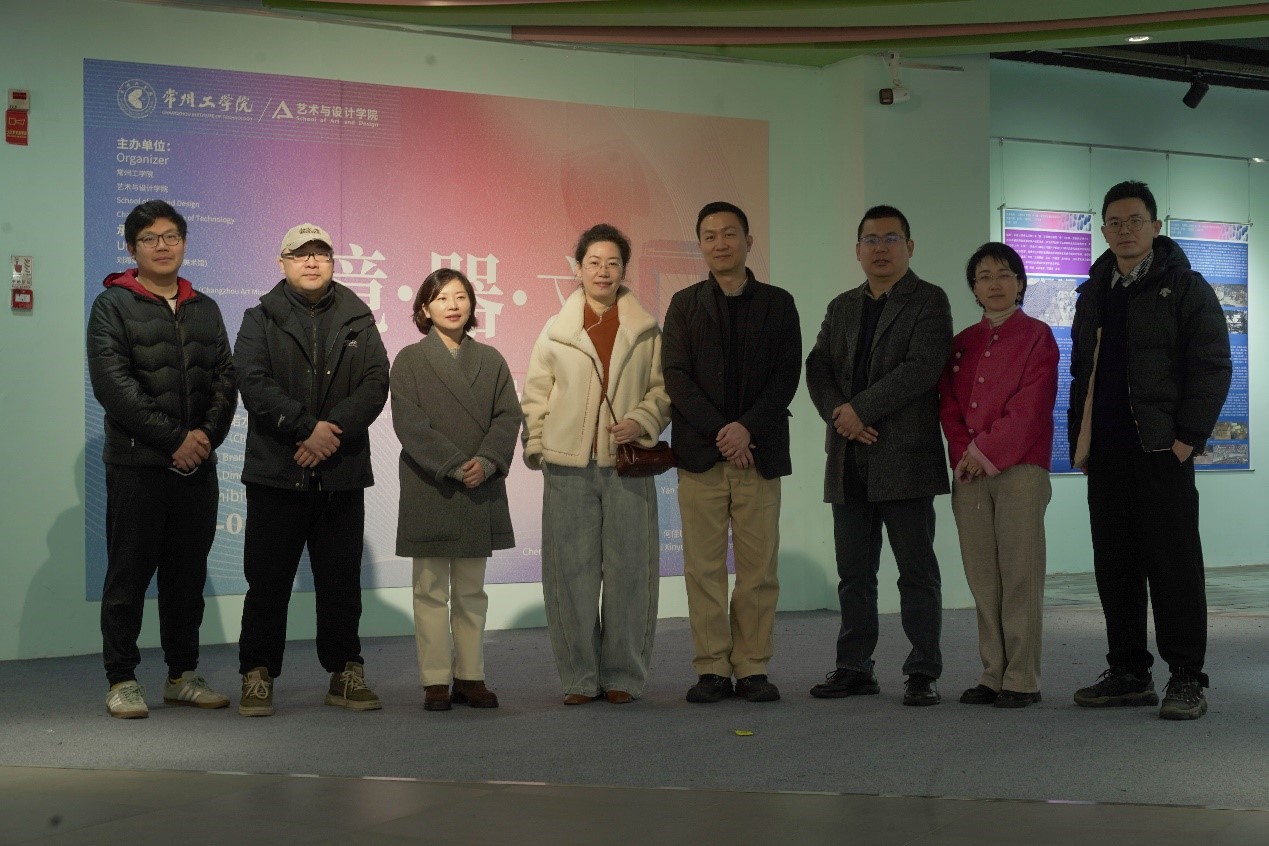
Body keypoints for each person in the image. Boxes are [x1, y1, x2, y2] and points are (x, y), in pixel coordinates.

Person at [1069, 181, 1231, 720]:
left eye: (1135, 220)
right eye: (1115, 222)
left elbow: (1212, 367)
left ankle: (1185, 677)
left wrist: (1187, 439)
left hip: (1162, 450)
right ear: (1103, 230)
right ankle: (1128, 671)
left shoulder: (1185, 287)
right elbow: (1082, 373)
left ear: (1156, 226)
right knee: (1114, 564)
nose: (1125, 230)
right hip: (1106, 452)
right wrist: (1080, 441)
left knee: (1173, 565)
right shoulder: (1094, 291)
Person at [87, 199, 237, 719]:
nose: (163, 245)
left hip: (197, 468)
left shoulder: (205, 308)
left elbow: (225, 379)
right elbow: (114, 385)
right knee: (128, 577)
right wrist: (175, 440)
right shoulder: (112, 305)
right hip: (137, 466)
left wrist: (205, 439)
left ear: (184, 243)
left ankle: (182, 675)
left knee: (186, 579)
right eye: (150, 238)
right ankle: (122, 679)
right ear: (133, 248)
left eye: (171, 236)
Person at [234, 223, 389, 717]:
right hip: (276, 471)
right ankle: (257, 674)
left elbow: (375, 382)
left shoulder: (358, 318)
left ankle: (345, 672)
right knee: (267, 583)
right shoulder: (259, 318)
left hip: (340, 472)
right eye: (300, 254)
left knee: (341, 582)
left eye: (321, 253)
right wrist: (305, 429)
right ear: (282, 263)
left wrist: (329, 433)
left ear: (332, 263)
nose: (311, 261)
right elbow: (252, 382)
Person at [805, 204, 952, 706]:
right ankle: (854, 666)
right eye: (871, 239)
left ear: (909, 247)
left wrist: (859, 411)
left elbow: (922, 368)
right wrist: (839, 415)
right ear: (858, 250)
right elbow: (818, 365)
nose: (880, 248)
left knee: (916, 573)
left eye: (891, 239)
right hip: (849, 457)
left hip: (905, 458)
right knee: (854, 574)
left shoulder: (929, 300)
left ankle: (923, 670)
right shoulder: (842, 305)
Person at [521, 223, 671, 705]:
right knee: (570, 573)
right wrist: (538, 445)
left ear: (624, 269)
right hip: (567, 467)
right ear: (578, 268)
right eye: (594, 263)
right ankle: (580, 678)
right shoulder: (556, 330)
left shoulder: (647, 330)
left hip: (626, 464)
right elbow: (536, 393)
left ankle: (624, 675)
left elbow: (663, 390)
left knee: (631, 570)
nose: (603, 271)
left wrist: (641, 421)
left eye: (612, 263)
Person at [662, 201, 802, 704]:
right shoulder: (684, 304)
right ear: (700, 245)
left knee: (758, 570)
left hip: (758, 453)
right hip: (701, 455)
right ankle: (712, 667)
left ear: (748, 241)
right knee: (703, 570)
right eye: (710, 235)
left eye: (729, 233)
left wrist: (746, 429)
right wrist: (723, 430)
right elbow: (676, 376)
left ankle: (752, 666)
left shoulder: (779, 303)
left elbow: (786, 375)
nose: (720, 243)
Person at [391, 268, 521, 712]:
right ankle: (434, 680)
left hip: (478, 485)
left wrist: (485, 462)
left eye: (461, 296)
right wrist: (452, 464)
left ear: (472, 305)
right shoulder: (409, 360)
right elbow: (410, 424)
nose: (453, 304)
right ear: (425, 309)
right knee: (429, 590)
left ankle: (470, 676)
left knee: (470, 592)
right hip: (431, 485)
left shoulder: (492, 360)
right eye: (442, 297)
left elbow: (508, 417)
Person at [939, 242, 1058, 709]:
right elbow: (948, 404)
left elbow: (1032, 406)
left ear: (1020, 283)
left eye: (1005, 274)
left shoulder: (1037, 336)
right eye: (984, 276)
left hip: (1020, 468)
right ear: (973, 287)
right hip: (969, 473)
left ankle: (1022, 677)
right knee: (983, 577)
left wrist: (984, 450)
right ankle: (993, 672)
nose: (995, 283)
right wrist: (963, 453)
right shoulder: (962, 342)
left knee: (1020, 574)